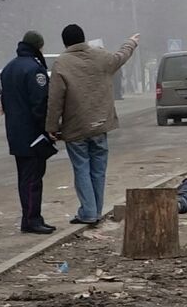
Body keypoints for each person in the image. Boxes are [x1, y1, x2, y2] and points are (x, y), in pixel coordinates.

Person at [46, 24, 139, 225]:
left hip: (76, 127)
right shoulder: (101, 56)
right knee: (98, 170)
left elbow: (55, 99)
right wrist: (131, 42)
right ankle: (95, 210)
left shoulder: (62, 63)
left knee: (81, 168)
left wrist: (52, 126)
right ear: (84, 38)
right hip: (100, 125)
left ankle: (88, 212)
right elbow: (121, 56)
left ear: (65, 42)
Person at [1, 31, 55, 235]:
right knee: (33, 179)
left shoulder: (8, 68)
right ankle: (33, 219)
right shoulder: (34, 70)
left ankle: (29, 217)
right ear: (38, 46)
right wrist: (48, 129)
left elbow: (5, 101)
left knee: (24, 177)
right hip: (32, 134)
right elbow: (40, 103)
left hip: (15, 131)